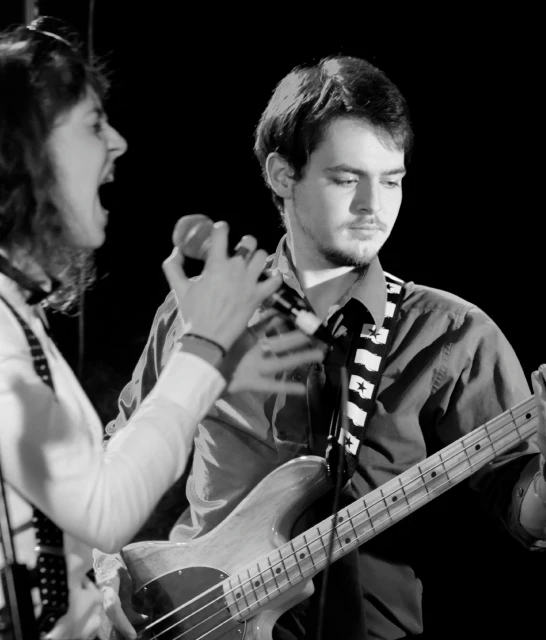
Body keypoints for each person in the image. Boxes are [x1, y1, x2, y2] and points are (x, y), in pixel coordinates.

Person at [98, 56, 546, 639]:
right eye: (346, 179)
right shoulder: (206, 308)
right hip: (190, 622)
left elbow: (534, 525)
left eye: (391, 180)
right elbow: (119, 455)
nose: (374, 206)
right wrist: (105, 569)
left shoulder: (455, 336)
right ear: (282, 175)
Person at [0, 17, 324, 640]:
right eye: (93, 125)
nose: (118, 143)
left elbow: (80, 489)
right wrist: (201, 351)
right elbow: (105, 508)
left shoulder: (17, 314)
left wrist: (211, 366)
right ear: (25, 149)